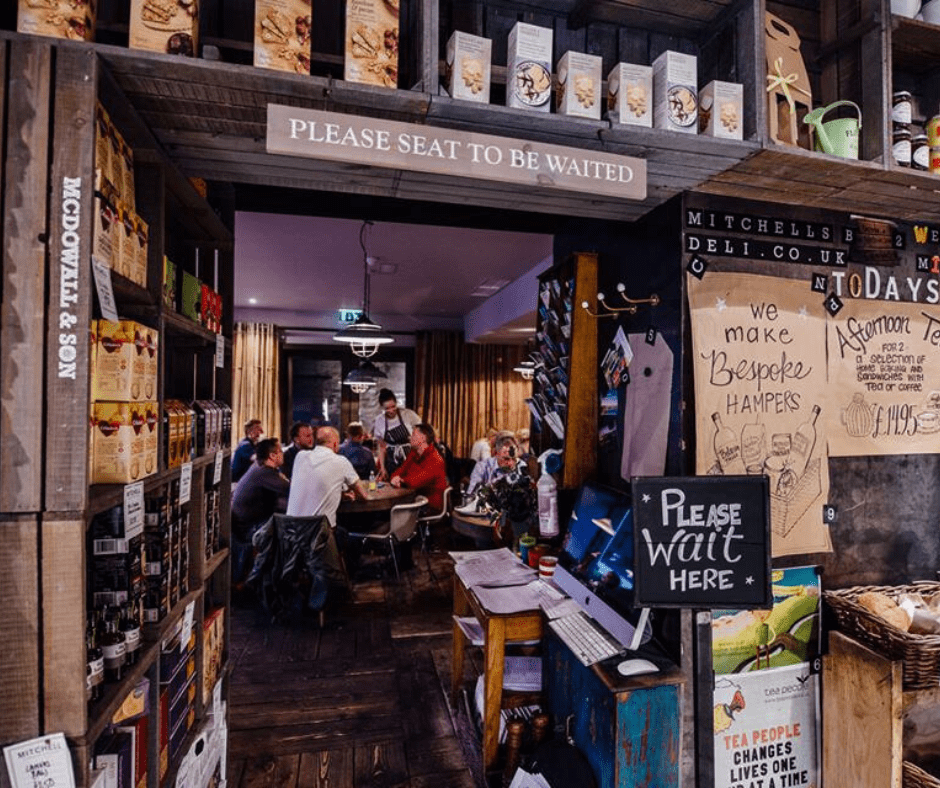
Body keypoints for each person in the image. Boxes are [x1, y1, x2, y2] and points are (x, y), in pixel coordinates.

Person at [230, 438, 289, 589]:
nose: (283, 454)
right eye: (280, 451)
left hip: (245, 524)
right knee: (291, 534)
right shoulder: (264, 473)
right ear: (272, 456)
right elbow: (292, 490)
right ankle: (274, 584)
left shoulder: (259, 467)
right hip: (249, 529)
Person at [287, 426, 368, 529]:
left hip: (290, 532)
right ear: (335, 443)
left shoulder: (300, 456)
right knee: (348, 533)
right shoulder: (341, 462)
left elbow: (314, 485)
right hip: (318, 534)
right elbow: (363, 495)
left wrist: (340, 494)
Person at [390, 423, 449, 512]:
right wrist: (395, 478)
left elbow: (416, 482)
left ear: (423, 438)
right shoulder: (413, 454)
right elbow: (400, 471)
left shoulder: (436, 460)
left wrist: (401, 481)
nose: (410, 437)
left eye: (413, 434)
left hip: (429, 506)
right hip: (413, 499)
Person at [371, 388, 421, 478]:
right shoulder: (379, 421)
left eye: (393, 406)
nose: (391, 410)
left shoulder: (408, 414)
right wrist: (382, 468)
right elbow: (382, 447)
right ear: (382, 407)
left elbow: (422, 435)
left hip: (410, 459)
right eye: (387, 408)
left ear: (396, 403)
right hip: (391, 461)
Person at [231, 418, 263, 483]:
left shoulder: (254, 444)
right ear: (249, 431)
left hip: (245, 479)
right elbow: (256, 458)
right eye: (257, 428)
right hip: (238, 482)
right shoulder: (245, 445)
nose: (260, 431)